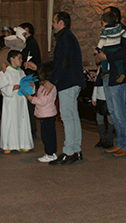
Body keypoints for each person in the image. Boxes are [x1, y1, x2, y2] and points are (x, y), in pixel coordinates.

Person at [29, 11, 86, 165]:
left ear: (61, 23)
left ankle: (69, 152)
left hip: (68, 82)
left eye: (54, 21)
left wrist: (52, 81)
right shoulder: (66, 37)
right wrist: (39, 66)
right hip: (72, 81)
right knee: (72, 117)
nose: (52, 24)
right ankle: (76, 150)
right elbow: (58, 61)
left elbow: (64, 62)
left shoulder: (65, 38)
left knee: (67, 117)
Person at [96, 7, 126, 157]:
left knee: (119, 111)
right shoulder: (107, 31)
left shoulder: (123, 30)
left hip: (119, 74)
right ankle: (119, 142)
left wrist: (107, 57)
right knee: (113, 110)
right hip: (108, 73)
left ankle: (125, 144)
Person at [0, 49, 34, 153]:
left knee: (22, 121)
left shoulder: (21, 72)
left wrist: (31, 86)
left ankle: (23, 143)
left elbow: (26, 86)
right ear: (12, 59)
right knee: (10, 122)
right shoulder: (7, 71)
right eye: (19, 58)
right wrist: (11, 88)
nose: (21, 60)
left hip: (21, 101)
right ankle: (8, 145)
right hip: (10, 101)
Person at [27, 65, 58, 163]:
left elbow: (42, 101)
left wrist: (31, 98)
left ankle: (50, 153)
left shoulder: (47, 88)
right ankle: (51, 153)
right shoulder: (45, 86)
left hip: (47, 114)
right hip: (47, 114)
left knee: (47, 136)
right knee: (49, 135)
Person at [20, 22, 42, 141]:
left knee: (29, 105)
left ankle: (32, 131)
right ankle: (28, 130)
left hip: (30, 77)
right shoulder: (27, 43)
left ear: (26, 30)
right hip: (28, 77)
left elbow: (33, 60)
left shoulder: (31, 43)